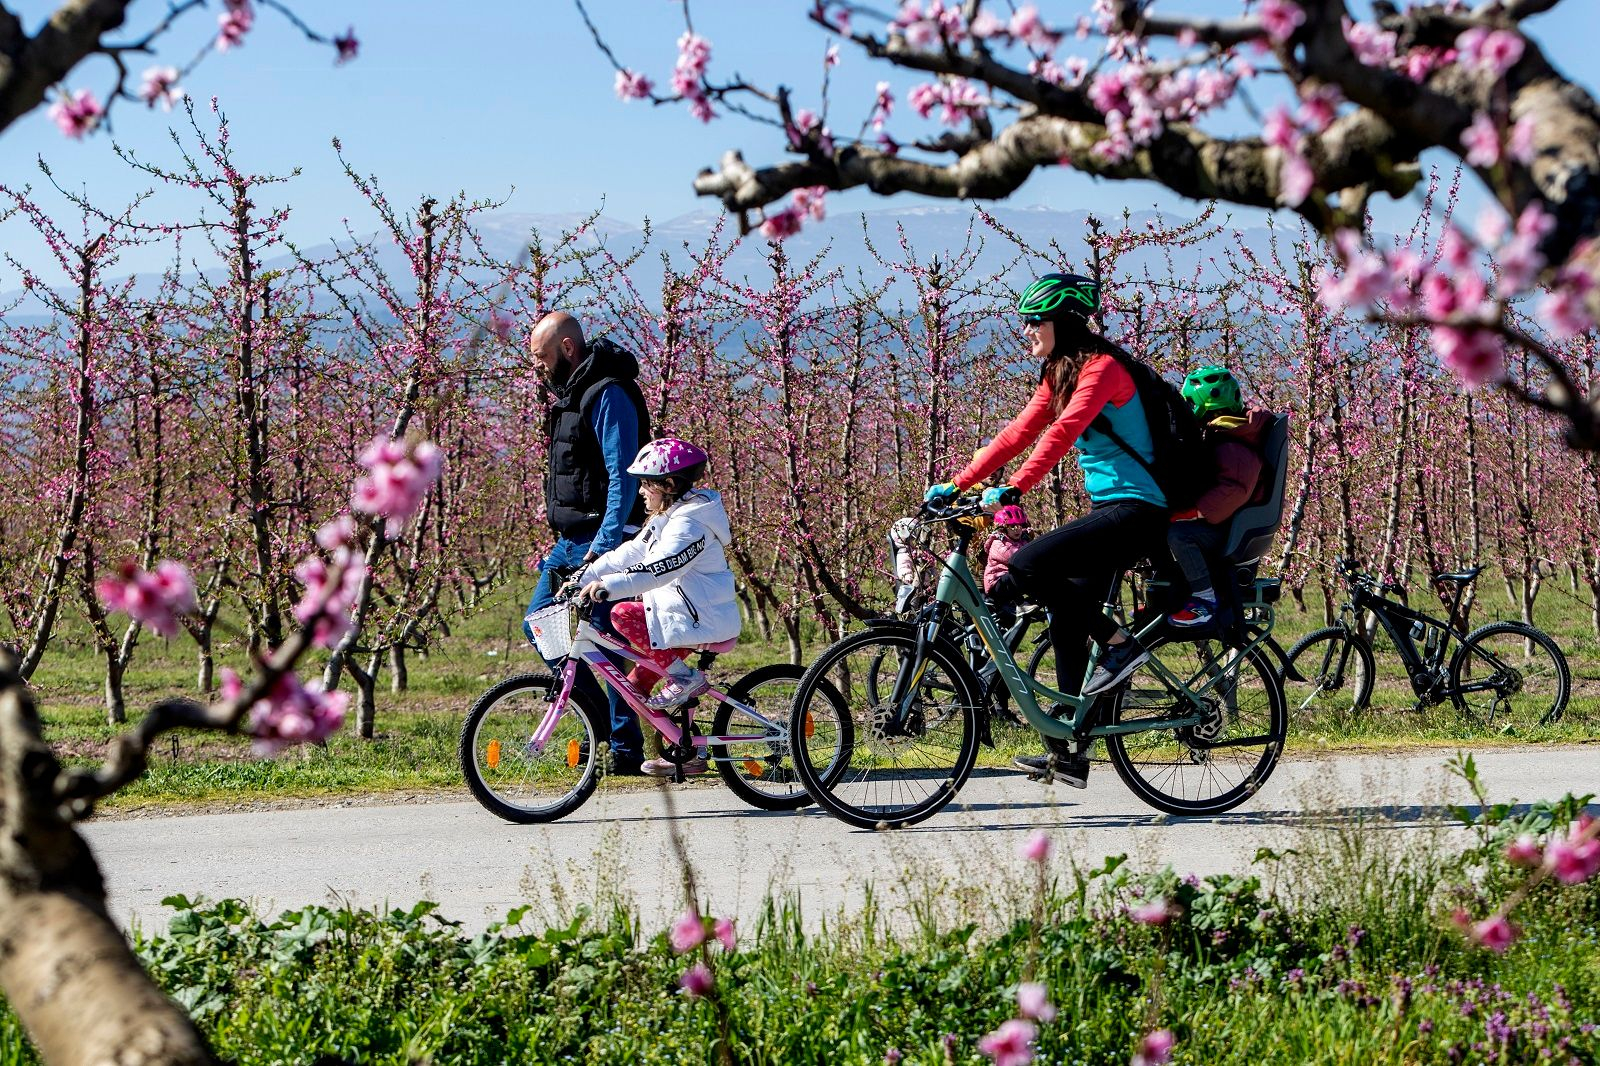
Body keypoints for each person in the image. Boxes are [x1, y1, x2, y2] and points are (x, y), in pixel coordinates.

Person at [925, 272, 1170, 789]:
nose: (1028, 330)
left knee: (1027, 563)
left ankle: (1121, 646)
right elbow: (1019, 432)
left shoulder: (1103, 368)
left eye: (1035, 321)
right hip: (1111, 508)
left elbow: (1063, 432)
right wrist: (956, 482)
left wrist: (1014, 488)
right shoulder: (1060, 374)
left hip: (1138, 509)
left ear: (1063, 321)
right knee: (1065, 617)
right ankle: (1068, 754)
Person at [525, 312, 651, 775]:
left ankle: (623, 750)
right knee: (541, 624)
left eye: (541, 357)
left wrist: (606, 545)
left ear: (568, 349)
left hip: (603, 539)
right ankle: (600, 726)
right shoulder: (571, 395)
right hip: (571, 540)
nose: (537, 366)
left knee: (613, 644)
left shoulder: (607, 393)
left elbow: (622, 477)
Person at [575, 438, 742, 777]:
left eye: (645, 484)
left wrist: (610, 587)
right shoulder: (667, 516)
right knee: (632, 688)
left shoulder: (690, 523)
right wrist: (583, 576)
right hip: (680, 618)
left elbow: (659, 567)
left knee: (622, 613)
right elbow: (632, 554)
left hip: (699, 619)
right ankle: (687, 749)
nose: (640, 492)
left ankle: (684, 679)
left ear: (668, 485)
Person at [1166, 366, 1273, 629]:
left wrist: (1194, 512)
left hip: (1227, 530)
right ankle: (1171, 594)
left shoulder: (1233, 443)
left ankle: (1205, 600)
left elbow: (1232, 490)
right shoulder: (1231, 435)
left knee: (1180, 535)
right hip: (1224, 525)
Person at [982, 504, 1032, 614]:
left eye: (1020, 526)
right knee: (1016, 574)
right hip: (996, 584)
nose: (1017, 530)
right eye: (1013, 527)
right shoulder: (997, 543)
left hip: (1011, 582)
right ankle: (1021, 606)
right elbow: (1014, 557)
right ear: (1004, 528)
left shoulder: (1022, 540)